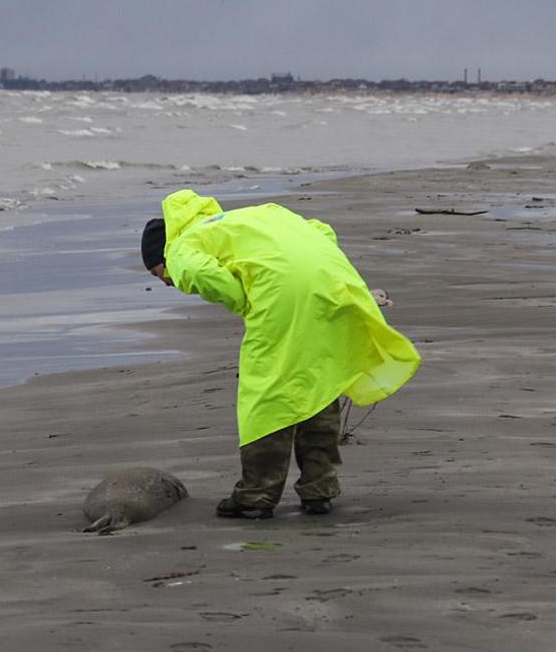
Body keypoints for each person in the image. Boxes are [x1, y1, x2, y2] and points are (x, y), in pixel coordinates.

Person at [141, 189, 421, 519]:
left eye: (158, 274)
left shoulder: (182, 246)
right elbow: (321, 229)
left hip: (285, 294)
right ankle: (320, 489)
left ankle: (257, 495)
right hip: (334, 280)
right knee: (320, 377)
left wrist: (244, 300)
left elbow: (203, 274)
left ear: (161, 256)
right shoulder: (251, 216)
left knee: (266, 390)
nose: (165, 281)